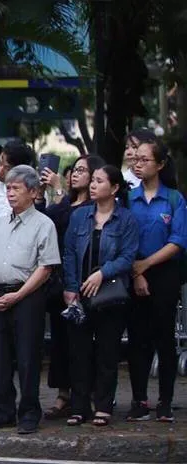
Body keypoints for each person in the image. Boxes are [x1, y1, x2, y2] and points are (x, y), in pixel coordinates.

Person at [0, 165, 60, 434]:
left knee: (27, 357)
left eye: (16, 188)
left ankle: (30, 411)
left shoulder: (44, 224)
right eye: (7, 188)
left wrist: (18, 295)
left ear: (33, 192)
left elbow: (46, 267)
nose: (9, 194)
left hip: (27, 295)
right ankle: (1, 410)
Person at [62, 166, 138, 427]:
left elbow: (128, 257)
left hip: (110, 294)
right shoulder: (80, 216)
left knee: (107, 351)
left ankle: (104, 406)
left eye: (99, 181)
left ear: (114, 188)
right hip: (80, 292)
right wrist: (70, 286)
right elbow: (70, 251)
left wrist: (102, 274)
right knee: (79, 352)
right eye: (91, 180)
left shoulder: (126, 219)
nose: (92, 185)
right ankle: (79, 406)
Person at [37, 154, 105, 419]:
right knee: (60, 340)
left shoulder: (92, 205)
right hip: (59, 279)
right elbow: (48, 219)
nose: (75, 174)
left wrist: (57, 189)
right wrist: (45, 194)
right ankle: (63, 393)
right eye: (73, 169)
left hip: (83, 278)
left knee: (83, 342)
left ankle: (84, 394)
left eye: (81, 170)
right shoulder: (65, 200)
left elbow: (69, 219)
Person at [126, 139, 185, 422]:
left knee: (164, 337)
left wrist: (146, 265)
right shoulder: (126, 199)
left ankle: (165, 400)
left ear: (160, 164)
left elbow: (178, 240)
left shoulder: (174, 199)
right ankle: (139, 399)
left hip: (164, 274)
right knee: (138, 339)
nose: (138, 164)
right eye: (135, 159)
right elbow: (123, 240)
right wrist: (137, 273)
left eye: (144, 160)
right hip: (133, 273)